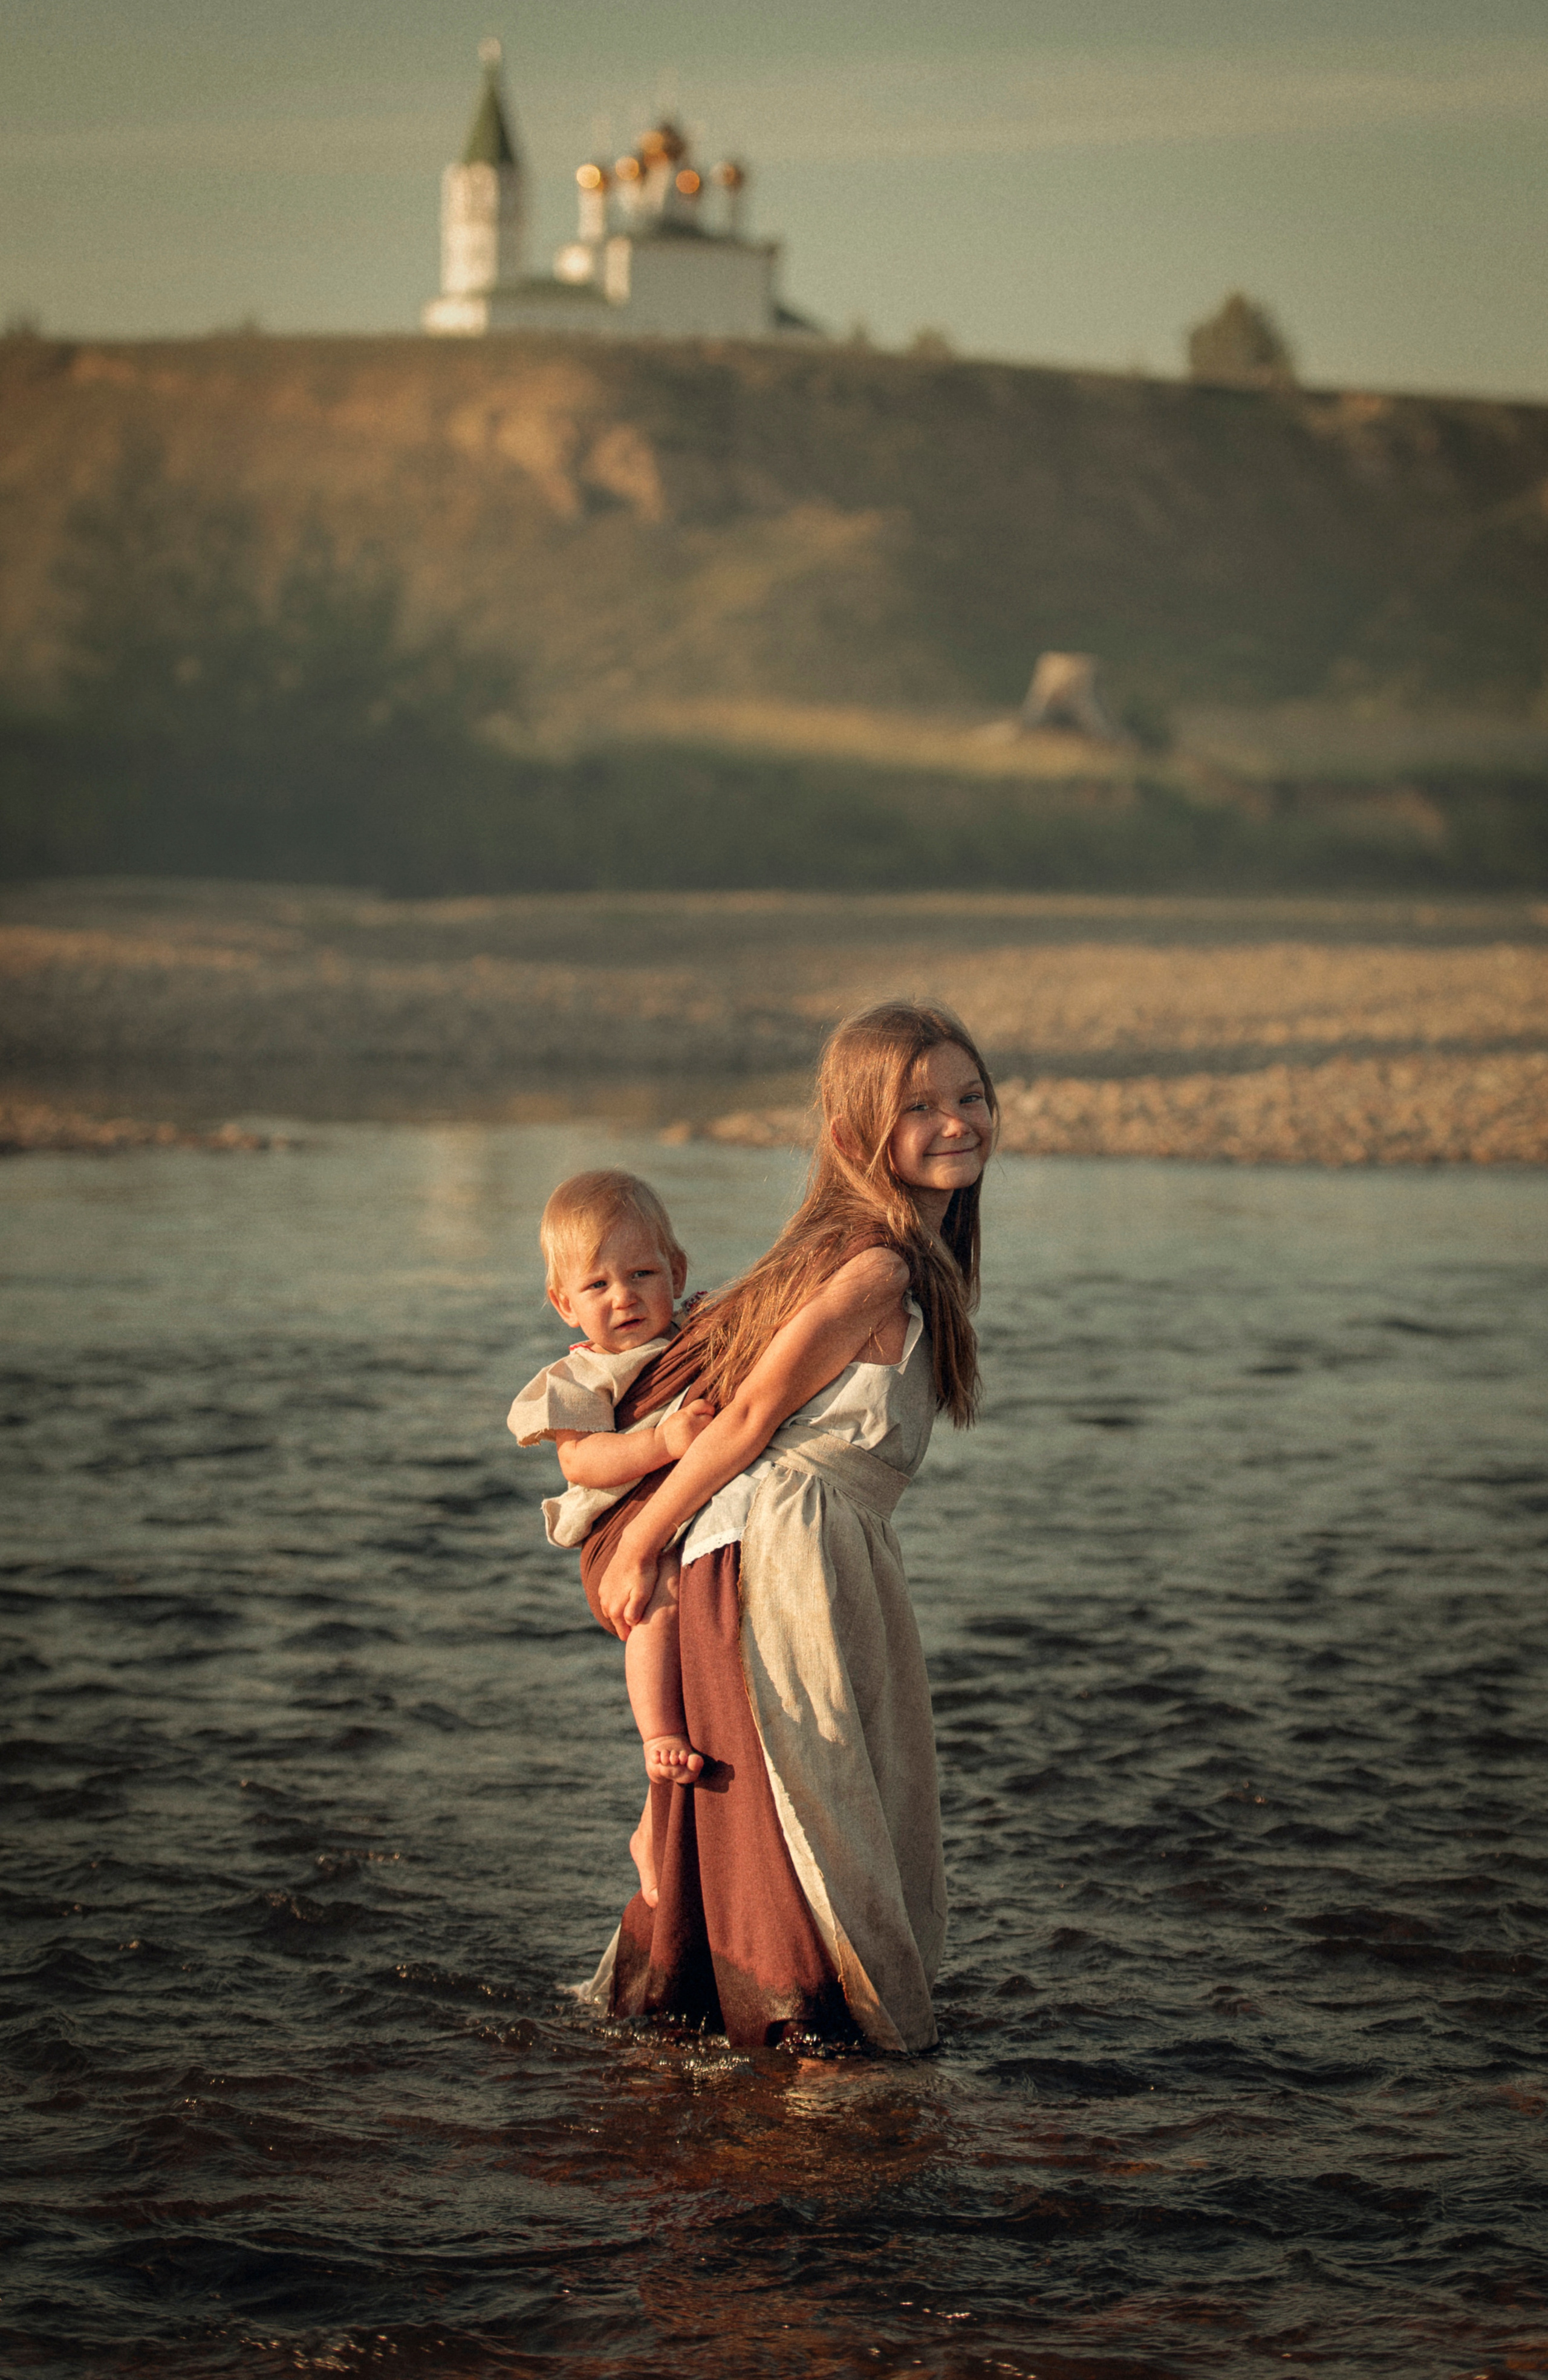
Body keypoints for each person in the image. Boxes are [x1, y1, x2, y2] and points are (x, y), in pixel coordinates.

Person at [576, 1001, 997, 2054]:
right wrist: (640, 1540)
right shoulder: (877, 1265)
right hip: (778, 1549)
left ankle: (722, 2049)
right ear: (857, 1138)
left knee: (817, 1806)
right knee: (805, 1812)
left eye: (972, 1096)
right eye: (922, 1108)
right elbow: (753, 1419)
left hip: (822, 1545)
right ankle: (804, 2054)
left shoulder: (900, 1252)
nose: (958, 1122)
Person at [507, 1171, 715, 1900]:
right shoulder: (579, 1376)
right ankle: (654, 1734)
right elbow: (583, 1460)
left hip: (685, 1521)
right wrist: (665, 1442)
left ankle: (654, 1826)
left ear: (677, 1273)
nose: (623, 1296)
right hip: (623, 1538)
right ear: (565, 1305)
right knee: (657, 1604)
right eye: (597, 1287)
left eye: (641, 1274)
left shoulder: (695, 1332)